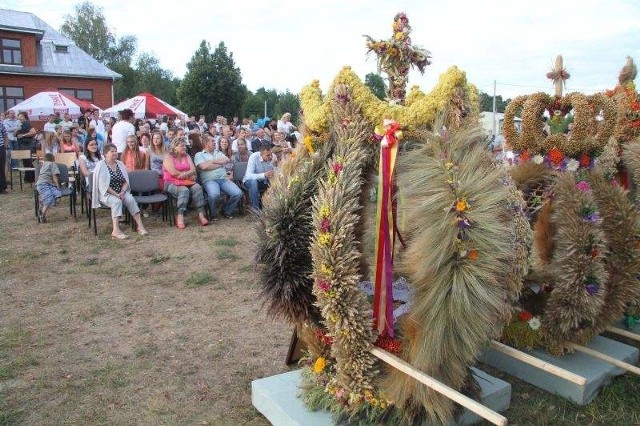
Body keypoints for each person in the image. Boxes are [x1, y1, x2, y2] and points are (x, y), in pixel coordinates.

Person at [91, 143, 148, 239]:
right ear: (105, 154)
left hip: (121, 191)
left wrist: (122, 192)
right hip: (106, 193)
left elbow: (126, 181)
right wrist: (117, 195)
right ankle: (116, 230)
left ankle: (140, 226)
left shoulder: (120, 164)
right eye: (112, 151)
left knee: (130, 200)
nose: (114, 153)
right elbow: (103, 185)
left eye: (115, 151)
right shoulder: (100, 165)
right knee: (117, 202)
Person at [194, 134, 243, 220]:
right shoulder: (199, 155)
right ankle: (213, 214)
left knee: (238, 193)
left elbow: (226, 160)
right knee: (214, 195)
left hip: (223, 179)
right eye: (212, 141)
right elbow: (203, 167)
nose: (215, 142)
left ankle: (226, 210)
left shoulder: (218, 152)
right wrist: (219, 164)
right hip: (209, 180)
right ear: (206, 143)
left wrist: (211, 162)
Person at [163, 138, 208, 229]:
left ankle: (201, 214)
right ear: (175, 147)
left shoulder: (186, 156)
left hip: (186, 181)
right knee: (184, 191)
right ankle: (180, 216)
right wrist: (189, 175)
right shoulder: (168, 157)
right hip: (170, 182)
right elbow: (173, 172)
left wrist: (185, 175)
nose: (184, 147)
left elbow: (193, 170)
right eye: (182, 146)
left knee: (198, 187)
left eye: (185, 145)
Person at [243, 143, 276, 210]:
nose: (270, 157)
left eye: (271, 154)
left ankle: (271, 208)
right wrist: (264, 175)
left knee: (276, 182)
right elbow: (248, 175)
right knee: (253, 182)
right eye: (268, 155)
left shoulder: (272, 157)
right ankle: (255, 210)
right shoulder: (254, 157)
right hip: (249, 181)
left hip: (264, 181)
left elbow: (273, 171)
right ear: (261, 154)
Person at [35, 153, 62, 222]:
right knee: (50, 197)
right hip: (43, 184)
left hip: (47, 184)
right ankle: (42, 213)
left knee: (57, 194)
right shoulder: (53, 164)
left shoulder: (43, 165)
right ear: (53, 159)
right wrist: (58, 185)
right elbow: (54, 176)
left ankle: (43, 202)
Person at [0, 119, 7, 194]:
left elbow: (5, 134)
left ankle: (2, 187)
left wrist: (4, 145)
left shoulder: (1, 124)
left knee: (1, 167)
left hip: (1, 147)